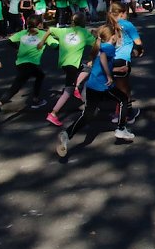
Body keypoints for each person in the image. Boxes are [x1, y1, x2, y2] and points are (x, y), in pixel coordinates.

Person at [55, 24, 133, 157]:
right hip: (103, 86)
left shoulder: (100, 46)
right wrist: (109, 75)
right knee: (123, 99)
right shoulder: (108, 48)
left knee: (88, 115)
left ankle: (67, 135)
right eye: (117, 36)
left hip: (92, 85)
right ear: (113, 37)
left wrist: (115, 70)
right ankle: (121, 129)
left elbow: (100, 64)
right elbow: (103, 59)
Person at [39, 13, 96, 127]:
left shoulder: (64, 30)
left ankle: (76, 85)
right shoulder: (84, 33)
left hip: (64, 63)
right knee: (68, 91)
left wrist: (42, 41)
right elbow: (96, 45)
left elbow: (50, 29)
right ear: (83, 22)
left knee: (87, 68)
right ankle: (54, 113)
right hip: (72, 65)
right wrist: (92, 56)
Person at [0, 15, 57, 110]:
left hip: (20, 63)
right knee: (16, 87)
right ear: (39, 25)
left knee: (40, 75)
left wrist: (17, 48)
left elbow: (9, 41)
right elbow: (55, 45)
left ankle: (36, 98)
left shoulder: (23, 33)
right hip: (31, 64)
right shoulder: (43, 34)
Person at [106, 2, 144, 126]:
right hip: (122, 60)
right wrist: (138, 50)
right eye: (126, 13)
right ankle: (126, 115)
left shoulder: (108, 25)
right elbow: (138, 42)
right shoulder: (127, 25)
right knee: (123, 90)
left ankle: (121, 111)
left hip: (110, 60)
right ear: (122, 13)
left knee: (122, 88)